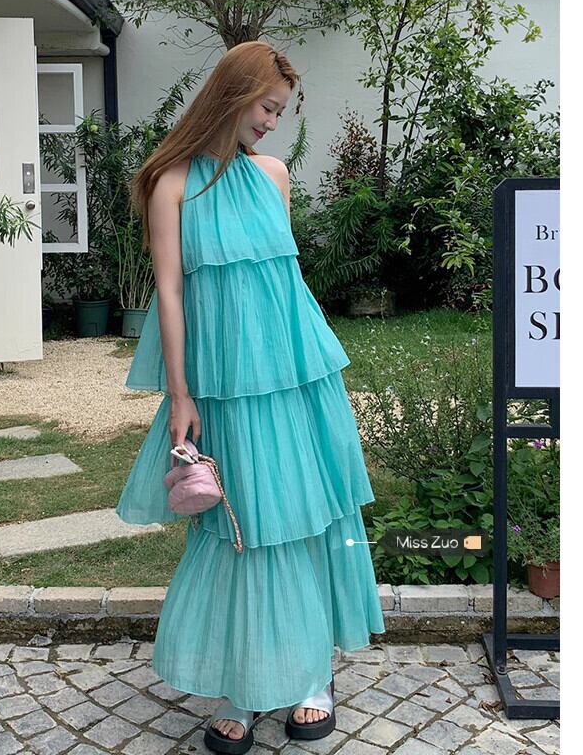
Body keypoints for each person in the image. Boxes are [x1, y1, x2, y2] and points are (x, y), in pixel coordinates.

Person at [115, 40, 385, 754]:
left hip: (295, 378)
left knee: (303, 517)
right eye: (267, 107)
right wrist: (180, 393)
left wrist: (306, 374)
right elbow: (170, 292)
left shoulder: (272, 176)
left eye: (279, 113)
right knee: (239, 526)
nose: (271, 123)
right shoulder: (170, 182)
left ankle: (311, 676)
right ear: (233, 96)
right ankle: (243, 685)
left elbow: (282, 287)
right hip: (225, 387)